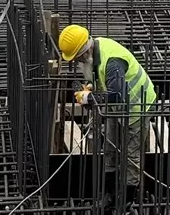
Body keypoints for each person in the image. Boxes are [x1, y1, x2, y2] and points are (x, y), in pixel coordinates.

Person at [59, 24, 155, 214]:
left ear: (84, 52)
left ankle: (126, 202)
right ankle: (110, 195)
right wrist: (91, 87)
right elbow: (104, 82)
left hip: (138, 108)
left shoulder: (112, 62)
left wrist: (89, 98)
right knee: (110, 149)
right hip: (116, 108)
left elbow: (117, 94)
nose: (76, 62)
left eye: (77, 58)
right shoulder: (96, 52)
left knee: (130, 157)